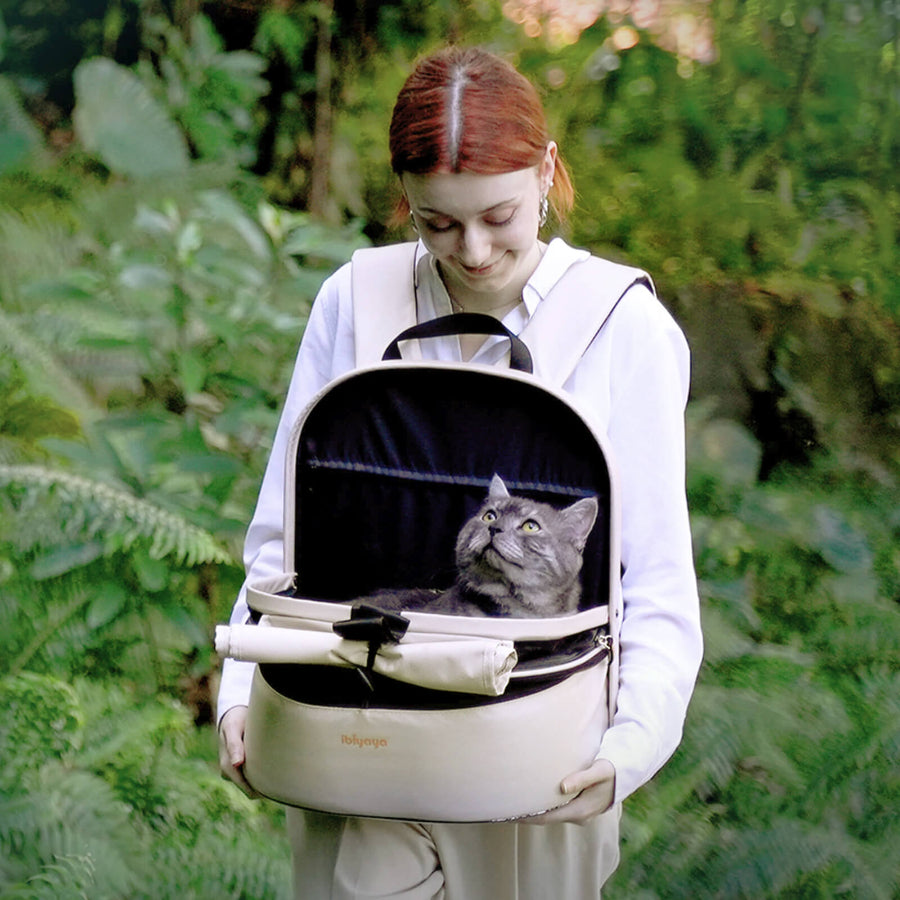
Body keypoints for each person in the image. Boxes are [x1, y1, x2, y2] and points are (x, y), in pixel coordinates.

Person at [218, 46, 702, 899]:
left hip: (537, 754)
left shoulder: (624, 327)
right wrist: (238, 693)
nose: (472, 251)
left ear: (547, 173)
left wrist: (628, 750)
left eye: (500, 215)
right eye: (436, 223)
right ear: (404, 199)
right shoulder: (355, 298)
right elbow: (286, 531)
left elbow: (656, 577)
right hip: (353, 736)